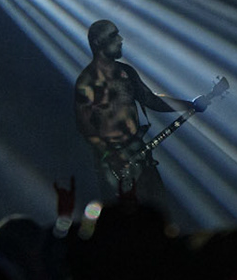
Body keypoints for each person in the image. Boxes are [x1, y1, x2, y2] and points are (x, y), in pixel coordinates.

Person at [72, 19, 199, 209]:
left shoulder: (127, 73)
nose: (120, 39)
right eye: (113, 36)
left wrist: (190, 104)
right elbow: (85, 126)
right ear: (98, 42)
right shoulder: (87, 81)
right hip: (112, 165)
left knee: (156, 210)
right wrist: (110, 155)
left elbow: (151, 100)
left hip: (140, 156)